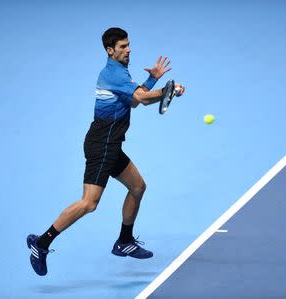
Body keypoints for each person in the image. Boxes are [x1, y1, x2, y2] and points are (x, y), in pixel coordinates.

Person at [27, 27, 185, 276]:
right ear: (110, 50)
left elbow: (134, 99)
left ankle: (124, 241)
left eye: (129, 45)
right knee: (89, 203)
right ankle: (41, 243)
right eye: (123, 47)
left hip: (110, 144)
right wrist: (169, 90)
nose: (128, 49)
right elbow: (143, 100)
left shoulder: (120, 72)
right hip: (102, 146)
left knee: (138, 187)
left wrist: (153, 81)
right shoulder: (113, 73)